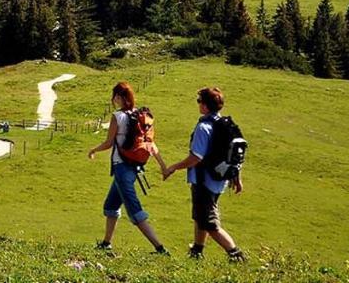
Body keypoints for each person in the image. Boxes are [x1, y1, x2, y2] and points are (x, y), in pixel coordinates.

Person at [162, 86, 246, 261]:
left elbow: (196, 157)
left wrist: (174, 167)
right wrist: (236, 177)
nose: (198, 104)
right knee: (200, 216)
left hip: (204, 180)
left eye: (199, 101)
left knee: (209, 223)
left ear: (206, 106)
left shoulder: (204, 127)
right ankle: (197, 251)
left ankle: (236, 254)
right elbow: (235, 154)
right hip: (219, 180)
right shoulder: (225, 124)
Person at [87, 81, 168, 254]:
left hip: (121, 167)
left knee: (134, 210)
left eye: (114, 96)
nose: (113, 99)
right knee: (111, 205)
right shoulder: (139, 116)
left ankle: (160, 248)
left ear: (118, 97)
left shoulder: (118, 117)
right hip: (134, 167)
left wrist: (94, 149)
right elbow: (151, 145)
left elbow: (109, 143)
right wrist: (163, 166)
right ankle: (106, 243)